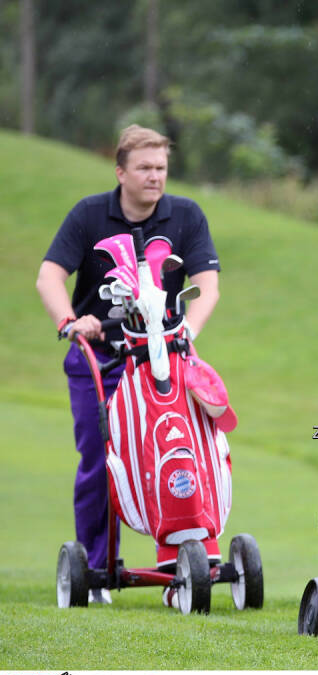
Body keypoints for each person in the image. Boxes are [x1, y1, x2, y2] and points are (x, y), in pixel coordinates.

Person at [36, 125, 222, 604]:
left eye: (161, 167)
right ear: (121, 172)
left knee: (184, 451)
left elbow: (207, 284)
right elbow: (50, 276)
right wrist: (70, 320)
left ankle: (183, 560)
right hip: (100, 358)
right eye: (144, 168)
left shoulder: (186, 215)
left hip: (167, 359)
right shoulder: (89, 214)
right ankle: (97, 570)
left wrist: (185, 336)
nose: (154, 177)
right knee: (101, 461)